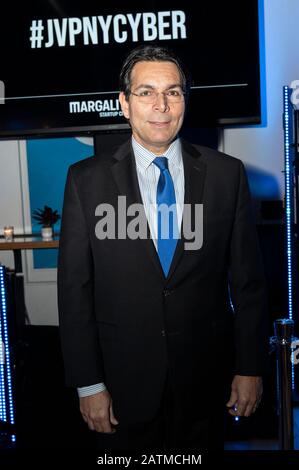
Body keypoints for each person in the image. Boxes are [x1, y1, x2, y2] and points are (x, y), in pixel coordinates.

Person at [58, 45, 268, 451]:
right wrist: (88, 383)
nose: (161, 105)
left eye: (173, 92)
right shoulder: (86, 180)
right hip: (122, 386)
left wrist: (250, 366)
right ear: (124, 103)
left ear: (184, 100)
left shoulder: (227, 175)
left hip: (207, 384)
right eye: (146, 92)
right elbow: (74, 291)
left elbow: (249, 284)